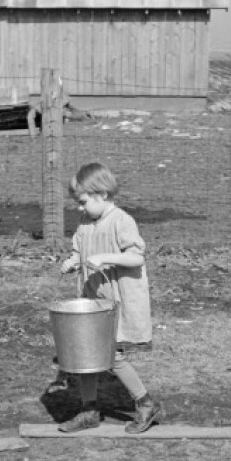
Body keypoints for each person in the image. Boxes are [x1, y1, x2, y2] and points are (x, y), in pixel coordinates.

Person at [53, 162, 162, 434]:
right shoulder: (85, 223)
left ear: (101, 194)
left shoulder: (121, 221)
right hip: (94, 300)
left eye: (83, 202)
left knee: (112, 357)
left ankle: (146, 404)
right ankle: (90, 410)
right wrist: (73, 262)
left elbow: (136, 256)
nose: (79, 208)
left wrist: (106, 258)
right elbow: (81, 252)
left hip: (117, 302)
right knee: (84, 354)